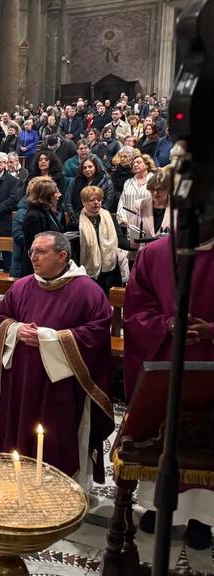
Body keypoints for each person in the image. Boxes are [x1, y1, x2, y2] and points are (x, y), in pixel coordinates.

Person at [0, 231, 115, 489]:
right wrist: (15, 329)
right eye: (31, 252)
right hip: (22, 383)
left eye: (40, 252)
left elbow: (98, 333)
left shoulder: (88, 291)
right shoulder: (22, 286)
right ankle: (19, 483)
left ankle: (63, 494)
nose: (33, 257)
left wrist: (49, 338)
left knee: (57, 440)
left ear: (62, 256)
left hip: (61, 390)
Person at [123, 220, 214, 549]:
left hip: (209, 364)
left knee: (205, 436)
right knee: (159, 433)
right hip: (166, 362)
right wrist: (166, 325)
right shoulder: (154, 254)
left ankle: (203, 517)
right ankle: (157, 506)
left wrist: (210, 331)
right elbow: (135, 310)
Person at [76, 186, 129, 293]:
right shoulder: (76, 221)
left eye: (99, 200)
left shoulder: (108, 216)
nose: (96, 203)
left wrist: (133, 245)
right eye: (92, 200)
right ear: (83, 202)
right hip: (87, 270)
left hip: (110, 268)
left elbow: (120, 240)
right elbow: (75, 250)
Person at [19, 177, 65, 275]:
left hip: (51, 264)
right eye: (56, 192)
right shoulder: (33, 216)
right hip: (38, 267)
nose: (59, 195)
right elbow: (35, 246)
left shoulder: (47, 211)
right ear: (46, 195)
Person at [115, 152, 156, 225]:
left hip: (151, 224)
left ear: (147, 164)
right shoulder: (128, 182)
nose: (135, 165)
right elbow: (122, 202)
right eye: (133, 163)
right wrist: (123, 219)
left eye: (138, 162)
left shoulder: (154, 180)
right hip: (130, 225)